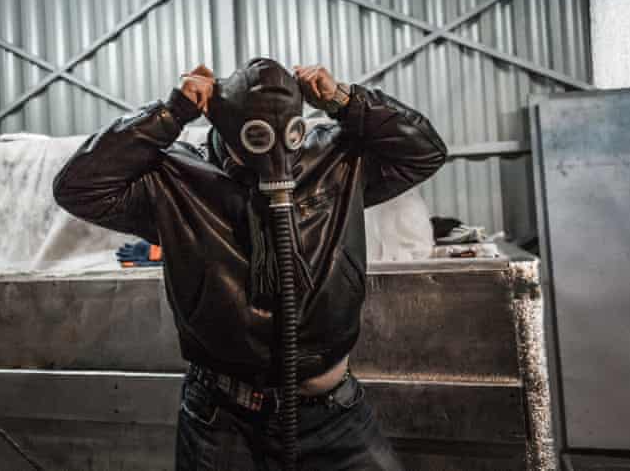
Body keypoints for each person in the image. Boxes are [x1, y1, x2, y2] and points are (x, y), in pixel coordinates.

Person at [53, 58, 447, 470]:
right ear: (224, 126)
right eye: (257, 137)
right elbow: (78, 186)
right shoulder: (177, 181)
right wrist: (171, 114)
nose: (275, 157)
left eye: (287, 134)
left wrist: (344, 100)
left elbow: (425, 152)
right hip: (223, 421)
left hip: (335, 413)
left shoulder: (336, 163)